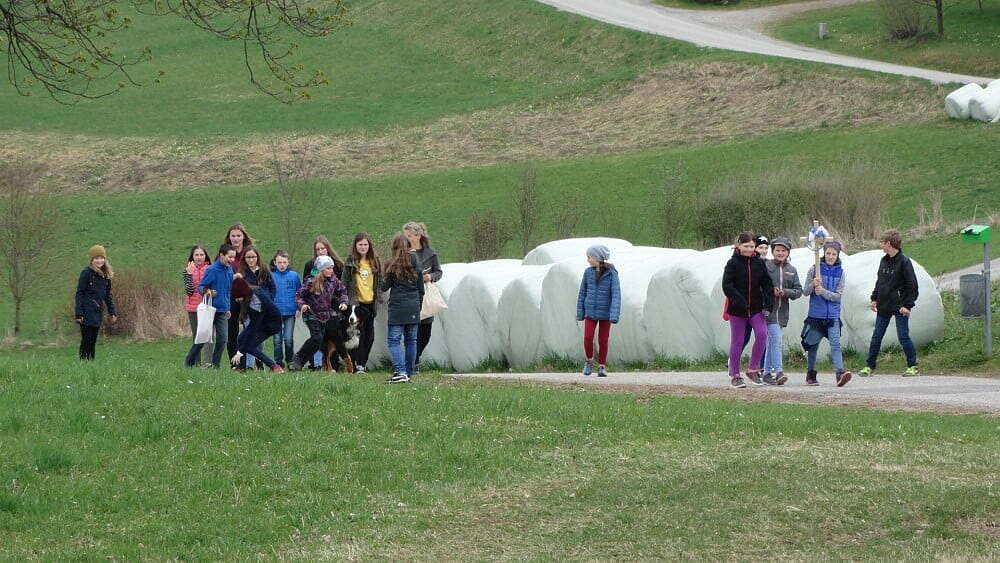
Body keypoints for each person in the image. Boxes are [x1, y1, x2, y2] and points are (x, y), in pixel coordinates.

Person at [860, 229, 920, 377]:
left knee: (903, 336)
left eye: (882, 242)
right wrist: (874, 298)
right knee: (876, 336)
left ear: (889, 243)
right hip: (884, 305)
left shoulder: (905, 262)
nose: (880, 244)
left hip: (900, 307)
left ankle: (913, 366)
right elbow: (880, 281)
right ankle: (869, 366)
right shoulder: (883, 260)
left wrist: (907, 305)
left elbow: (913, 286)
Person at [722, 232, 774, 388]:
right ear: (739, 245)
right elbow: (727, 285)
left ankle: (753, 369)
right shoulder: (732, 263)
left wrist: (768, 303)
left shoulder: (759, 263)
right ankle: (735, 375)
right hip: (737, 310)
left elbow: (767, 284)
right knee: (737, 341)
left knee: (762, 335)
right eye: (746, 246)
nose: (749, 249)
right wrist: (739, 300)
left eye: (752, 246)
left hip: (756, 308)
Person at [802, 241, 852, 387]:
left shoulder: (841, 273)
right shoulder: (814, 269)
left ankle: (840, 373)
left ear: (838, 255)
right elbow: (805, 291)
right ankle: (811, 374)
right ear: (824, 253)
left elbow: (838, 296)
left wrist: (823, 291)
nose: (830, 256)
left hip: (832, 317)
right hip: (815, 316)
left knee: (835, 344)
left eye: (834, 254)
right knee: (812, 347)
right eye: (828, 253)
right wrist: (813, 284)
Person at [289, 255, 350, 372]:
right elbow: (299, 295)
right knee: (317, 338)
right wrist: (303, 305)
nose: (331, 271)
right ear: (321, 270)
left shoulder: (334, 281)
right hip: (311, 314)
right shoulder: (311, 281)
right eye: (328, 268)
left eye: (332, 268)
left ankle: (298, 364)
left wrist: (344, 302)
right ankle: (298, 357)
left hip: (324, 316)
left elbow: (343, 291)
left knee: (318, 342)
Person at [381, 233, 424, 383]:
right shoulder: (416, 263)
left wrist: (380, 275)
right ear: (409, 247)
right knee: (411, 341)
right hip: (413, 307)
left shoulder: (391, 264)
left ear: (393, 248)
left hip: (397, 308)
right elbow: (421, 289)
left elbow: (384, 287)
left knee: (394, 341)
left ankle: (400, 371)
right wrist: (418, 307)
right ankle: (409, 372)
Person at [185, 244, 236, 368]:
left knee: (223, 339)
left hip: (222, 310)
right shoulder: (212, 270)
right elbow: (201, 286)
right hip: (210, 310)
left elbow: (228, 291)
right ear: (222, 255)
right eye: (230, 257)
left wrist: (228, 308)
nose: (232, 260)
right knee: (203, 338)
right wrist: (207, 291)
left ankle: (215, 365)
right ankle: (189, 361)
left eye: (233, 257)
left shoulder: (230, 270)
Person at [575, 245, 621, 377]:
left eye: (589, 257)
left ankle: (601, 366)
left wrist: (614, 314)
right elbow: (582, 292)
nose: (587, 260)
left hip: (606, 313)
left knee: (603, 340)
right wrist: (580, 312)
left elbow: (616, 294)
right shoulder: (588, 273)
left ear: (597, 257)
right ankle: (589, 361)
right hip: (590, 312)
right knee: (588, 337)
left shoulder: (611, 273)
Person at [762, 237, 802, 385]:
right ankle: (779, 372)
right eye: (777, 250)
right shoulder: (766, 266)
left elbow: (798, 291)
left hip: (782, 313)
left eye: (783, 250)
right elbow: (759, 286)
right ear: (772, 251)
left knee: (772, 342)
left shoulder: (792, 270)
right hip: (768, 311)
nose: (780, 253)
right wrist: (770, 291)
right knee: (777, 340)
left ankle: (766, 373)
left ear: (788, 252)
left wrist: (785, 292)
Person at [403, 222, 442, 374]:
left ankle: (416, 358)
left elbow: (438, 272)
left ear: (418, 236)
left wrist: (430, 277)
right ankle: (412, 363)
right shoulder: (404, 253)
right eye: (406, 236)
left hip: (426, 296)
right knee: (412, 332)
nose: (407, 239)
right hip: (410, 295)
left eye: (410, 236)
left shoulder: (431, 254)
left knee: (426, 333)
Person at [302, 235, 345, 369]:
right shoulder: (310, 265)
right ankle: (316, 364)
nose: (320, 251)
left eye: (323, 248)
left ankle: (334, 364)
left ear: (328, 249)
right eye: (318, 249)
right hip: (315, 308)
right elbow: (305, 287)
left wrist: (341, 302)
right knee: (317, 337)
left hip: (333, 306)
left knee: (333, 335)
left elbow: (341, 287)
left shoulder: (337, 265)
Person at [342, 233, 381, 373]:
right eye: (360, 245)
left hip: (371, 303)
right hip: (356, 304)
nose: (363, 247)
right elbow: (344, 282)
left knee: (370, 336)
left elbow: (380, 280)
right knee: (359, 336)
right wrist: (345, 300)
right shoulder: (350, 262)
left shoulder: (375, 261)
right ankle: (358, 364)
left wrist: (380, 295)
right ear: (355, 246)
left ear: (369, 246)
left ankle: (362, 363)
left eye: (365, 244)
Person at [230, 277, 284, 373]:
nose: (237, 300)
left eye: (238, 297)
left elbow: (253, 327)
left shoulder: (256, 300)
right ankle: (241, 368)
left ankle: (274, 366)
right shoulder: (247, 295)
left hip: (271, 325)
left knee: (249, 346)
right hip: (262, 323)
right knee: (240, 338)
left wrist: (239, 352)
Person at [74, 245, 117, 360]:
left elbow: (107, 296)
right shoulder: (86, 273)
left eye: (101, 258)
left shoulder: (106, 276)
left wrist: (112, 312)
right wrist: (79, 313)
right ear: (91, 260)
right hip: (86, 313)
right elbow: (79, 293)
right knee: (86, 340)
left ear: (105, 259)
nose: (99, 261)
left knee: (93, 341)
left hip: (97, 312)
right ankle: (83, 363)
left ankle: (91, 364)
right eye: (96, 258)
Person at [222, 223, 253, 370]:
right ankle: (235, 365)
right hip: (230, 299)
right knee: (231, 334)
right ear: (229, 237)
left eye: (238, 235)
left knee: (250, 331)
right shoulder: (224, 253)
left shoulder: (250, 253)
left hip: (248, 298)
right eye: (233, 236)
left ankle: (252, 363)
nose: (235, 238)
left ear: (243, 237)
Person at [182, 244, 213, 366]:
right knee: (196, 336)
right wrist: (189, 274)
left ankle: (208, 363)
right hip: (193, 308)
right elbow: (189, 291)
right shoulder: (187, 270)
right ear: (192, 257)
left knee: (208, 335)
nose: (199, 257)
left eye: (201, 254)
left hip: (207, 307)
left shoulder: (210, 269)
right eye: (196, 255)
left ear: (205, 256)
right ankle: (196, 363)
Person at [270, 250, 301, 369]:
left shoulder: (294, 276)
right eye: (279, 262)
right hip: (275, 313)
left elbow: (299, 293)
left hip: (290, 312)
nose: (282, 265)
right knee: (277, 340)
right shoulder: (271, 276)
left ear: (288, 262)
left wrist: (298, 308)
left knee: (288, 338)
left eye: (284, 262)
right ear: (275, 263)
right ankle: (278, 362)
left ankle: (290, 360)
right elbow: (268, 294)